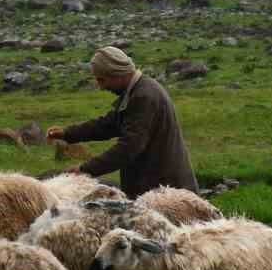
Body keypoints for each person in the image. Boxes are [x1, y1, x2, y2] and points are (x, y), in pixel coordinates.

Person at [46, 46, 197, 199]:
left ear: (117, 73)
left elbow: (129, 147)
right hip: (159, 187)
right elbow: (107, 125)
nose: (101, 87)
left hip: (166, 192)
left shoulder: (144, 97)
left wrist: (85, 169)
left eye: (102, 80)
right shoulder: (137, 91)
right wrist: (67, 133)